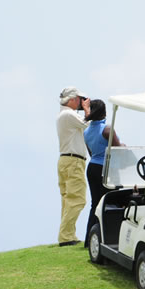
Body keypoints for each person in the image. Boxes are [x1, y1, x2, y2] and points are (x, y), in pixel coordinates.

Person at [83, 99, 123, 247]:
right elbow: (118, 149)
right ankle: (107, 237)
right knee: (107, 202)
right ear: (104, 112)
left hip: (92, 167)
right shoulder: (107, 129)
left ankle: (90, 238)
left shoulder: (86, 131)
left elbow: (92, 152)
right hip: (104, 170)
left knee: (95, 204)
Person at [56, 87, 91, 246]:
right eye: (78, 99)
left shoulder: (62, 115)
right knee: (78, 199)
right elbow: (87, 124)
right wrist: (87, 110)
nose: (80, 102)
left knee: (68, 200)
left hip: (65, 160)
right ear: (71, 99)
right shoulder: (69, 114)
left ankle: (68, 234)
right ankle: (66, 236)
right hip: (74, 161)